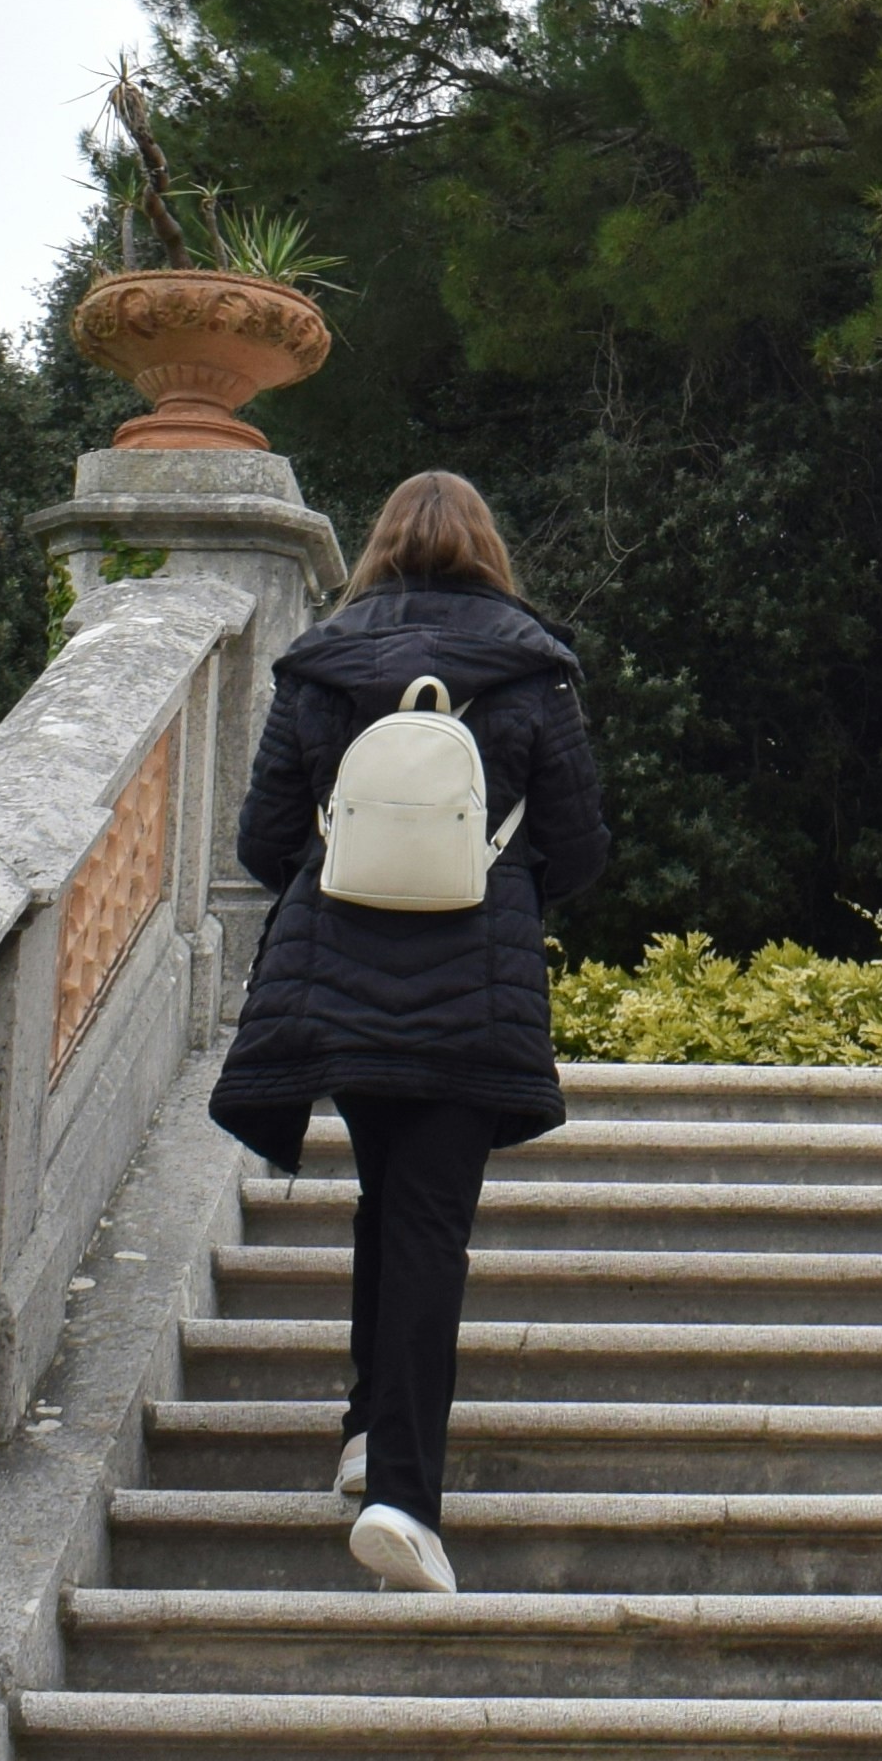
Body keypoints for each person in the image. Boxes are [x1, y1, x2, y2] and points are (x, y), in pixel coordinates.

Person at [208, 471, 602, 1598]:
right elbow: (578, 845)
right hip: (472, 985)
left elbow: (263, 836)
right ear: (488, 548)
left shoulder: (321, 666)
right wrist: (496, 876)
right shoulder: (535, 670)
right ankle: (403, 1500)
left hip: (339, 979)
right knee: (429, 1223)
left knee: (389, 1202)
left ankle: (365, 1432)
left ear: (379, 548)